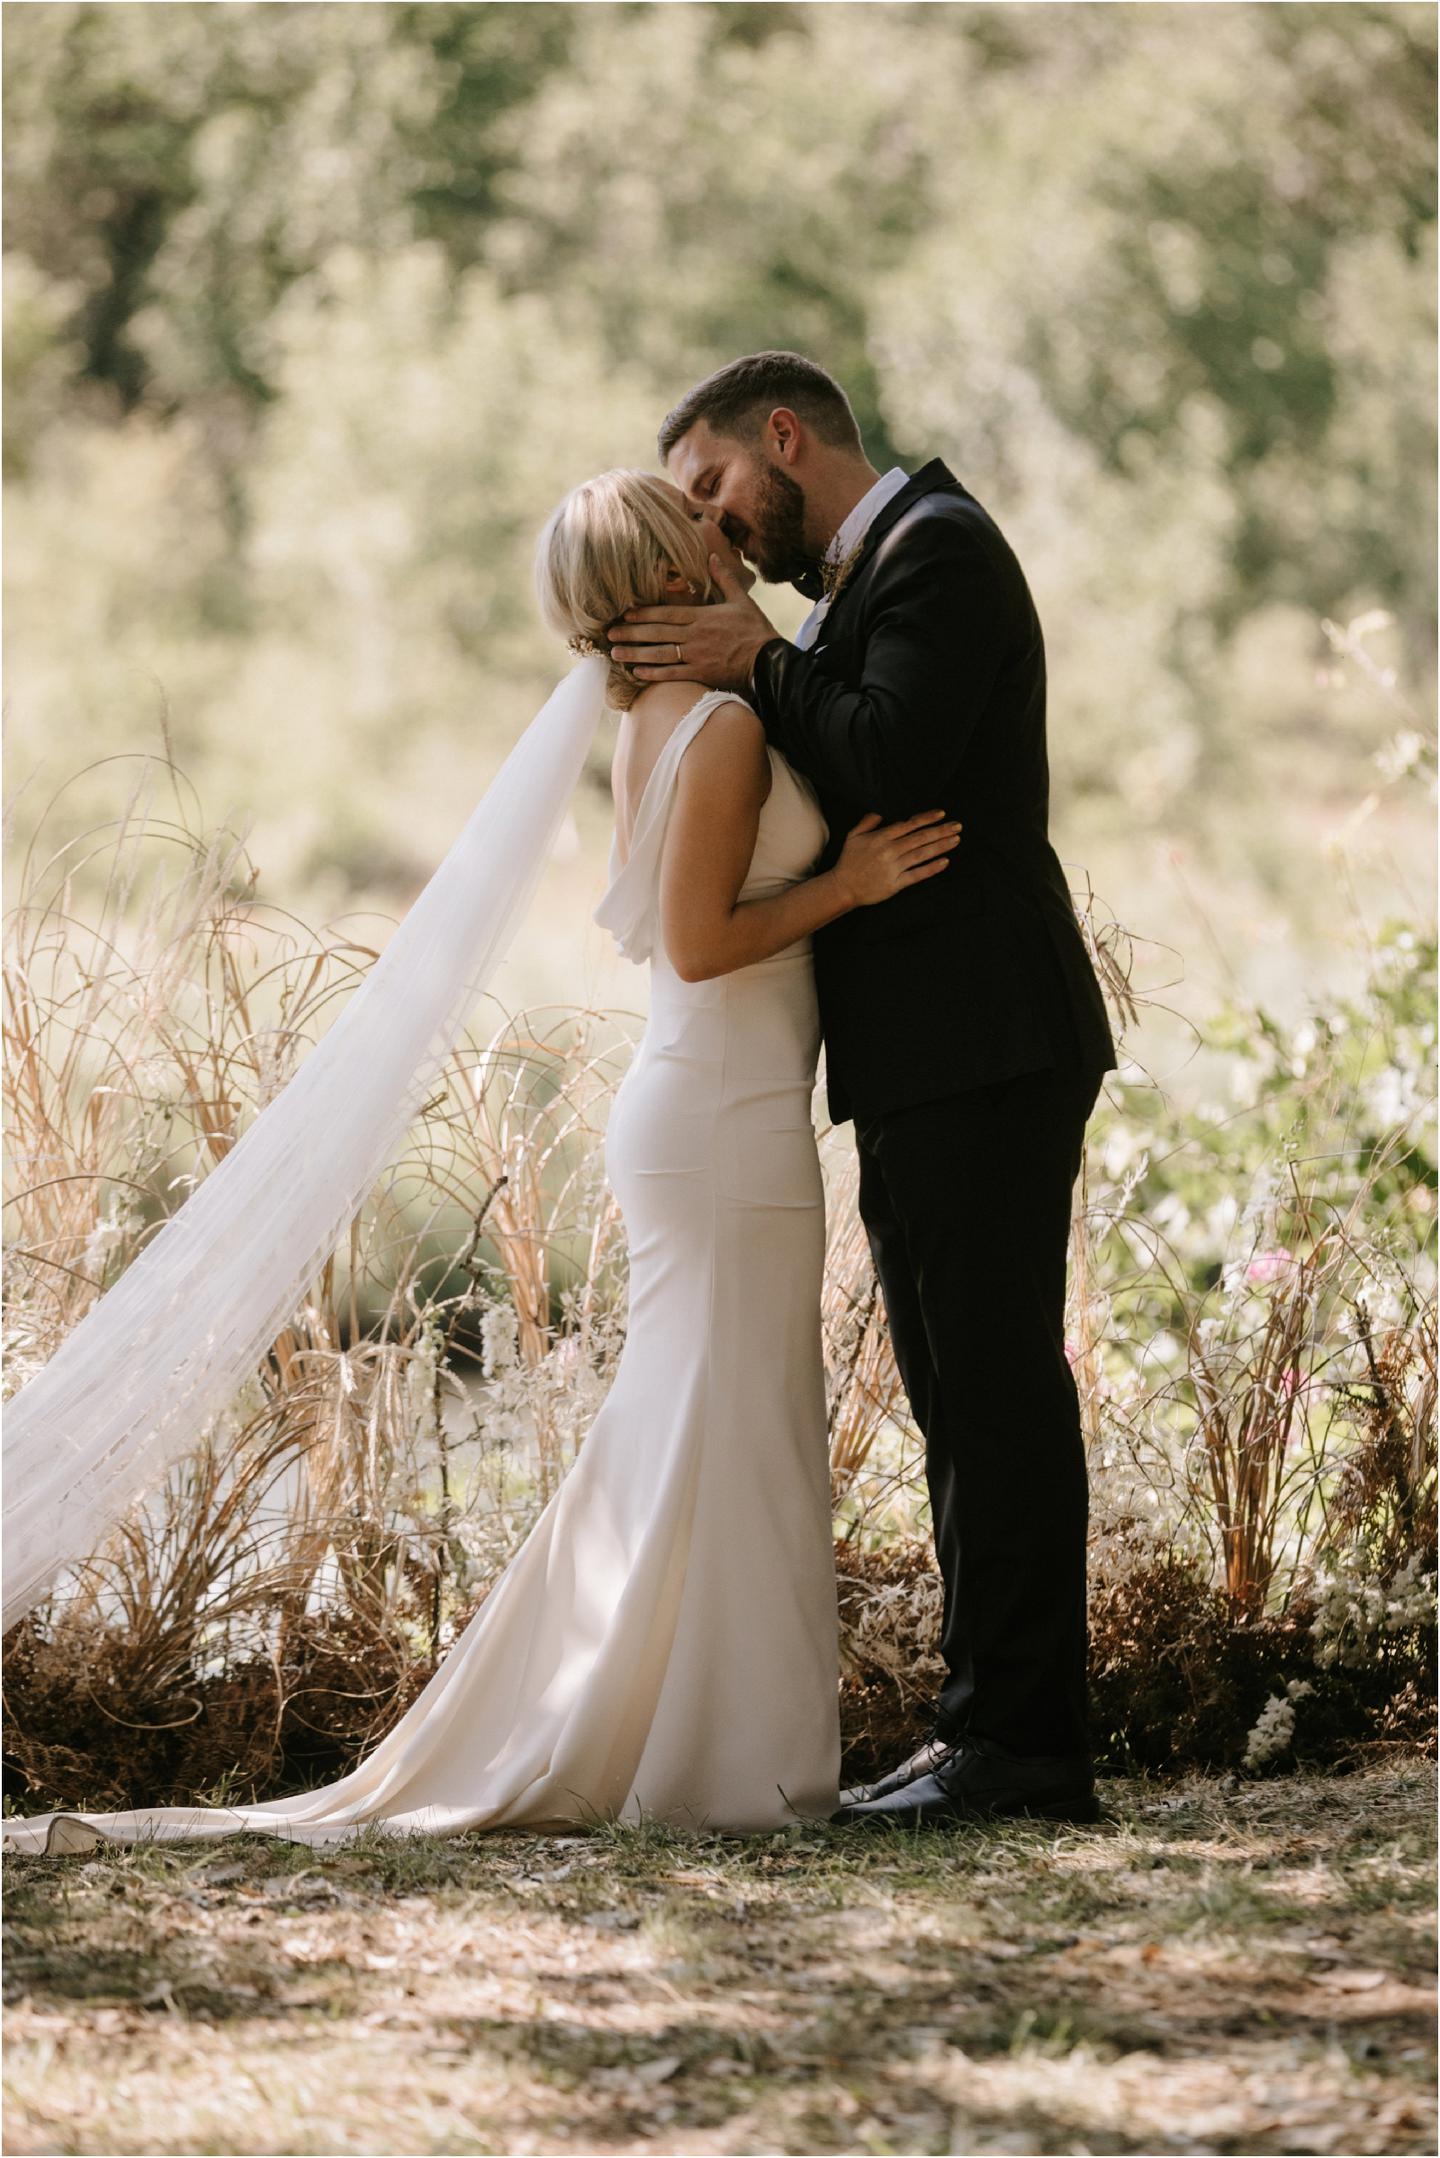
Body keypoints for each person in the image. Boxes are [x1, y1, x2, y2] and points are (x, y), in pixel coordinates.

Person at [1, 469, 957, 1858]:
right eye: (698, 513)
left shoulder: (656, 719)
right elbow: (698, 943)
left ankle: (695, 1733)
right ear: (674, 559)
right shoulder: (727, 729)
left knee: (706, 1418)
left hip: (709, 1110)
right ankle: (716, 1748)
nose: (723, 516)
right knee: (730, 1418)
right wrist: (850, 887)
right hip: (722, 1117)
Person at [609, 352, 1117, 1827]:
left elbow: (890, 752)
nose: (713, 525)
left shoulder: (939, 551)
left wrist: (754, 657)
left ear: (785, 438)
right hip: (923, 1058)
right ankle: (984, 1729)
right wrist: (767, 652)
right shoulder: (856, 584)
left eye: (712, 484)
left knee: (1001, 1389)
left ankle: (1025, 1742)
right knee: (960, 1390)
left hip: (990, 1042)